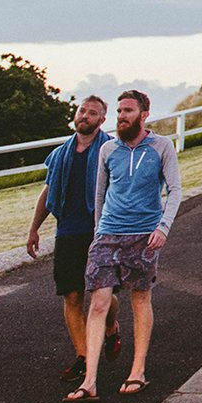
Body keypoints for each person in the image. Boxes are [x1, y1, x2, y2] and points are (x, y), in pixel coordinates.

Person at [65, 91, 181, 403]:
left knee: (140, 299)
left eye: (128, 111)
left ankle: (138, 371)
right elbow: (100, 196)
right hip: (108, 234)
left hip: (144, 234)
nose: (121, 116)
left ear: (144, 114)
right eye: (118, 111)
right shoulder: (107, 150)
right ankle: (89, 381)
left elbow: (175, 190)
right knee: (99, 303)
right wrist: (98, 233)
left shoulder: (161, 146)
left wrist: (163, 228)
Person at [26, 96, 121, 382]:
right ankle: (83, 357)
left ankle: (112, 326)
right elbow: (48, 192)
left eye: (92, 113)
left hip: (100, 231)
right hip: (67, 231)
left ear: (102, 120)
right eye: (82, 111)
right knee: (71, 294)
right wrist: (34, 229)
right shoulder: (60, 155)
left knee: (104, 294)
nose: (85, 116)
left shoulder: (111, 150)